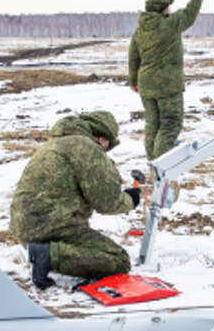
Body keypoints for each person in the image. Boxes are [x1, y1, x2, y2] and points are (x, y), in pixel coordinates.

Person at [10, 111, 141, 289]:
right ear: (103, 137)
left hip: (24, 228)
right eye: (107, 146)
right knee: (118, 260)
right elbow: (107, 202)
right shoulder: (85, 147)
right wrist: (130, 199)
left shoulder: (56, 143)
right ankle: (49, 255)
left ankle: (46, 253)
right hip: (53, 227)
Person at [128, 0, 208, 160]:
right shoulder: (170, 25)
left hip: (146, 86)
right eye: (168, 6)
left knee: (152, 126)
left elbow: (133, 57)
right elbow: (191, 11)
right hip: (167, 86)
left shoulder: (140, 30)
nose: (170, 9)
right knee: (170, 125)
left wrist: (133, 81)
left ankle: (153, 165)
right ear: (163, 7)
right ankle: (162, 168)